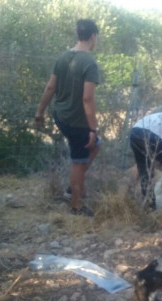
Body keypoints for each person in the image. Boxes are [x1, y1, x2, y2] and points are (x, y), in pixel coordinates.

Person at [35, 19, 101, 217]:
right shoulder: (89, 63)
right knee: (80, 162)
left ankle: (74, 186)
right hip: (77, 122)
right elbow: (87, 98)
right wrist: (93, 128)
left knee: (95, 146)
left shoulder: (63, 57)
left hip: (60, 116)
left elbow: (50, 87)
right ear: (92, 36)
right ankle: (75, 205)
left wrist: (40, 112)